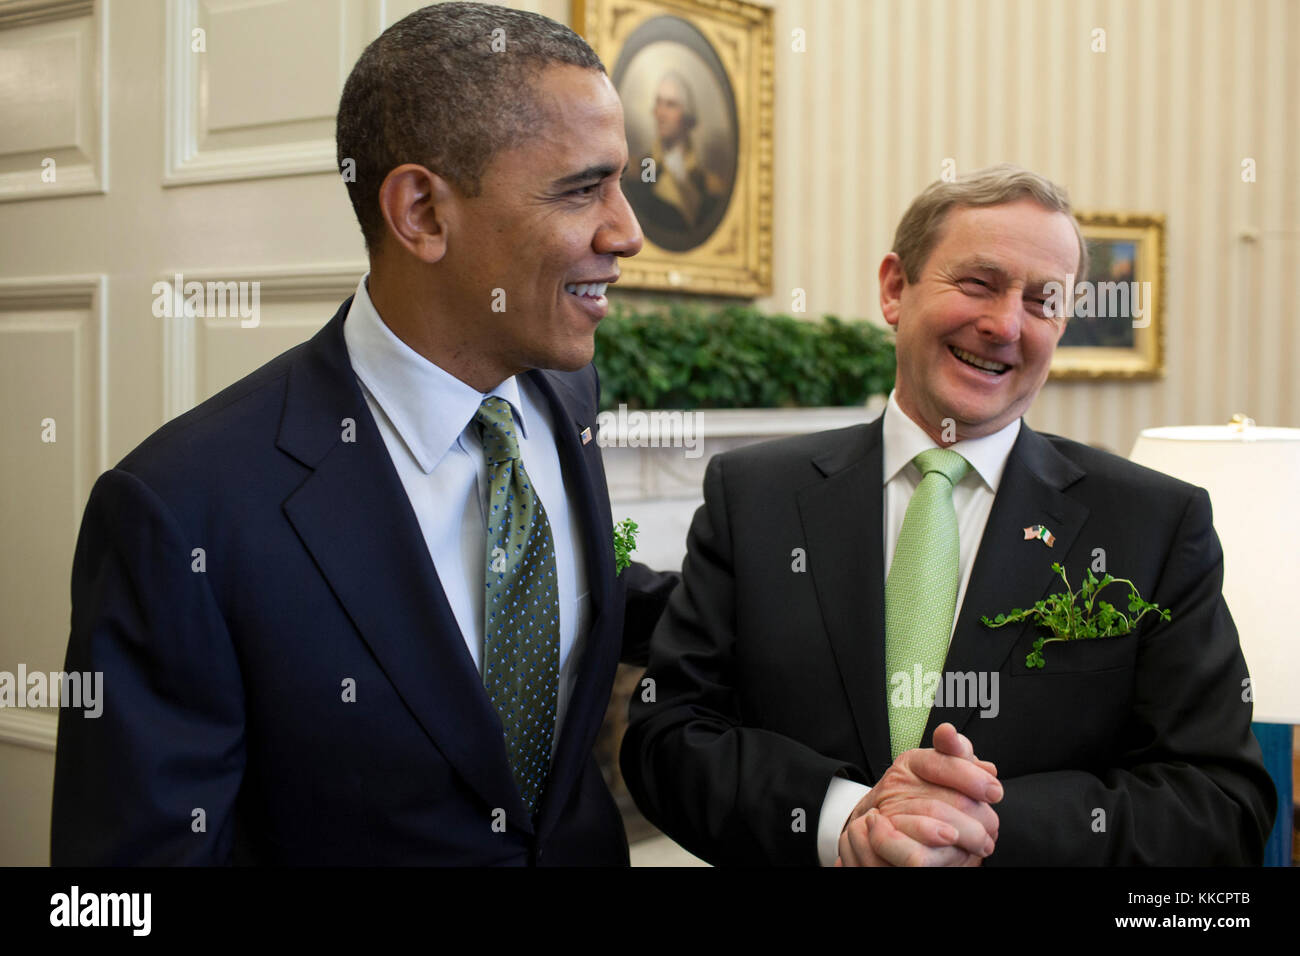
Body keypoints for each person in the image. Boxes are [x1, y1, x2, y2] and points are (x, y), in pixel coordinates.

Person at [51, 2, 677, 866]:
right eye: (582, 188)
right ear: (421, 211)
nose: (628, 231)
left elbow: (571, 590)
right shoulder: (179, 512)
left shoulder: (567, 390)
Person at [620, 164, 1275, 866]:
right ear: (895, 288)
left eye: (1043, 301)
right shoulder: (753, 496)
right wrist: (843, 818)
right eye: (978, 284)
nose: (1004, 325)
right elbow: (670, 737)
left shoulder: (1153, 524)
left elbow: (1220, 800)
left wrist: (981, 828)